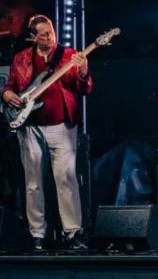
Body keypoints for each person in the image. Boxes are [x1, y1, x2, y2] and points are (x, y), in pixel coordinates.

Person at [1, 14, 92, 250]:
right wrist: (6, 94)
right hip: (30, 127)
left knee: (66, 179)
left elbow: (84, 89)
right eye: (43, 34)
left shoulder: (69, 55)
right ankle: (37, 234)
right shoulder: (21, 58)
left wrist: (83, 71)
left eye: (51, 31)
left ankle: (73, 232)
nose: (50, 37)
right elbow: (10, 86)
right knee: (33, 183)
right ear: (33, 37)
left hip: (61, 125)